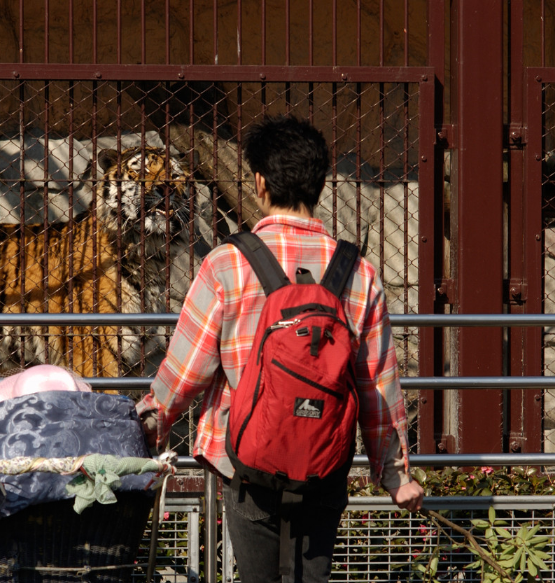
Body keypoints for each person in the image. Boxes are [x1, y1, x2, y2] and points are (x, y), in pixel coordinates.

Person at [136, 114, 424, 582]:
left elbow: (185, 372)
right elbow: (377, 384)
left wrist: (148, 427)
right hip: (324, 459)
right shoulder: (359, 273)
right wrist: (394, 475)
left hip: (247, 460)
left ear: (259, 181)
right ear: (321, 182)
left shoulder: (227, 262)